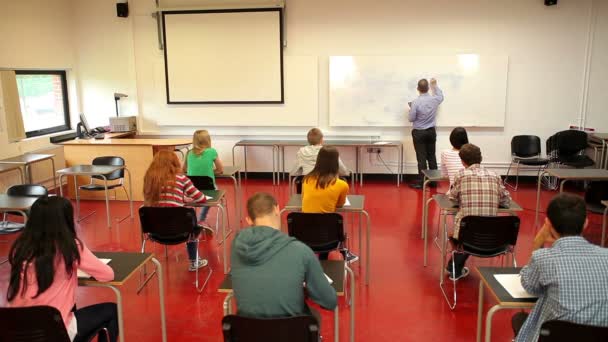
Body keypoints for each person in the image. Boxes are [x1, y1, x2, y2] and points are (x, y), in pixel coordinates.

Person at [7, 196, 118, 342]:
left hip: (17, 331)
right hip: (55, 332)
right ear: (64, 220)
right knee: (112, 310)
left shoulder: (21, 247)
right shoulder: (70, 247)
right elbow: (107, 275)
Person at [512, 194, 608, 342]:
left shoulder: (543, 258)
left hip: (554, 335)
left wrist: (537, 244)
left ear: (548, 224)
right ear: (585, 224)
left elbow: (530, 286)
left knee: (519, 318)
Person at [230, 192, 337, 322]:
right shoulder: (301, 251)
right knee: (314, 317)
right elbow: (330, 301)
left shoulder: (236, 247)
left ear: (249, 220)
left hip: (246, 332)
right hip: (292, 333)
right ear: (277, 209)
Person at [446, 144, 511, 279]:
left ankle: (454, 269)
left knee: (465, 229)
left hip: (467, 236)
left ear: (462, 161)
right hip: (493, 238)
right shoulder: (495, 175)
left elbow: (452, 198)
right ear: (480, 158)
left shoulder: (461, 175)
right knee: (474, 227)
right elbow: (506, 200)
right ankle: (453, 267)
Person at [144, 150, 209, 271]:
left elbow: (154, 198)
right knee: (189, 218)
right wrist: (183, 198)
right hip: (181, 232)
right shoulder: (181, 178)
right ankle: (194, 262)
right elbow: (201, 198)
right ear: (175, 163)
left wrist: (179, 197)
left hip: (155, 232)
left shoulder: (149, 179)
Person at [302, 146, 358, 262]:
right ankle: (343, 253)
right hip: (329, 237)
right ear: (336, 162)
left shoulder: (306, 180)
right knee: (336, 226)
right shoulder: (341, 185)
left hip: (304, 234)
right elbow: (340, 205)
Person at [408, 78, 444, 189]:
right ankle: (433, 181)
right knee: (431, 156)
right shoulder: (434, 99)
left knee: (421, 158)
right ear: (428, 88)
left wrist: (411, 108)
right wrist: (435, 85)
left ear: (418, 89)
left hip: (419, 132)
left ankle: (422, 182)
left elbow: (411, 118)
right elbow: (441, 96)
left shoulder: (415, 102)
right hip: (431, 132)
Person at [183, 129, 224, 227]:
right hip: (208, 188)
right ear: (208, 140)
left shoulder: (189, 153)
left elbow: (184, 169)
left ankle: (192, 219)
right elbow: (220, 170)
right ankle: (201, 219)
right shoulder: (212, 151)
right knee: (215, 191)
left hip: (190, 189)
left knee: (191, 197)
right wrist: (209, 172)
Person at [290, 128, 349, 193]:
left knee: (300, 180)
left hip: (307, 185)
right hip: (328, 183)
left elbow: (294, 172)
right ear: (321, 140)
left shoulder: (301, 151)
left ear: (308, 140)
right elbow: (343, 171)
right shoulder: (329, 151)